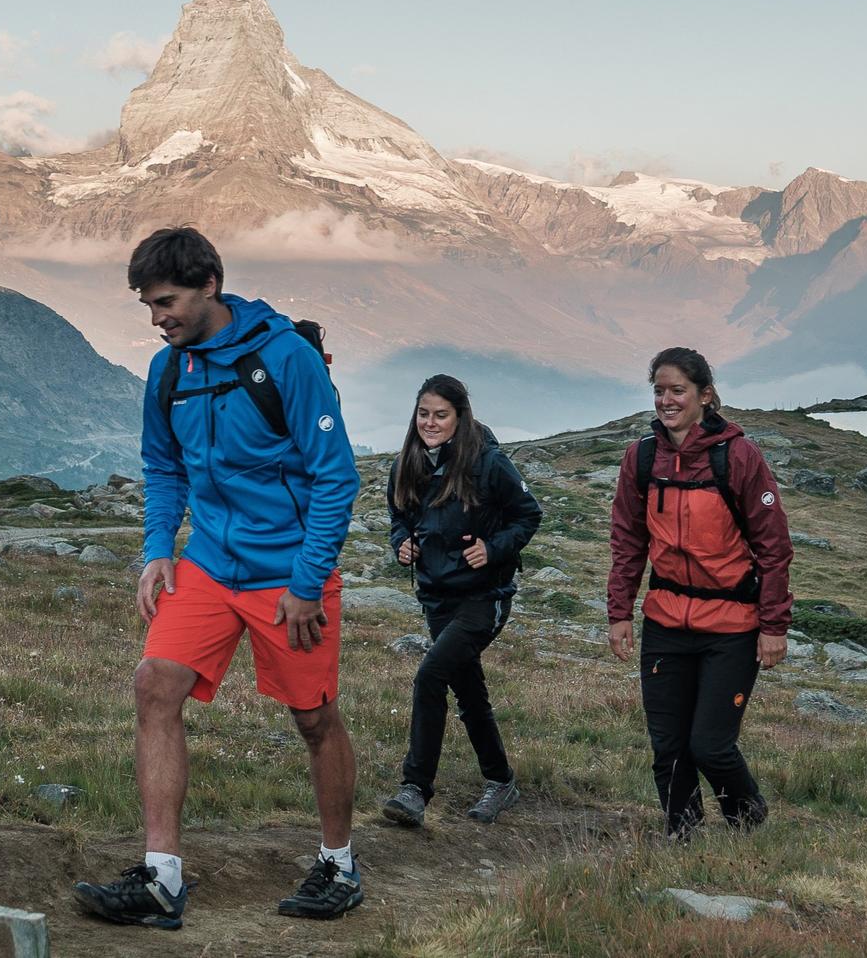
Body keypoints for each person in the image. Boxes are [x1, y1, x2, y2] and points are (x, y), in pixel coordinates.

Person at [73, 227, 362, 929]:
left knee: (314, 717)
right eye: (147, 306)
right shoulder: (169, 372)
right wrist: (157, 548)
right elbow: (163, 464)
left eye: (165, 302)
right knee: (154, 685)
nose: (156, 318)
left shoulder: (285, 359)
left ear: (209, 284)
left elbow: (336, 477)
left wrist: (305, 580)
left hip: (287, 572)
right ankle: (161, 877)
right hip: (208, 565)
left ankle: (338, 863)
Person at [607, 347, 794, 839]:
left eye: (677, 391)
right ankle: (682, 835)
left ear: (704, 395)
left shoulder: (738, 456)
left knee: (710, 745)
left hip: (731, 626)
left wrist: (773, 626)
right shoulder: (642, 457)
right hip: (666, 619)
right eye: (659, 391)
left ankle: (746, 817)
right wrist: (619, 611)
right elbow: (628, 539)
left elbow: (774, 548)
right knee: (668, 746)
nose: (667, 401)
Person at [382, 374, 540, 829]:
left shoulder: (487, 463)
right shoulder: (406, 464)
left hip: (484, 596)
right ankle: (501, 779)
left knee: (431, 674)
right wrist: (401, 542)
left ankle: (414, 789)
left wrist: (493, 548)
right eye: (424, 414)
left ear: (460, 416)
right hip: (436, 595)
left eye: (441, 415)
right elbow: (400, 515)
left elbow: (528, 514)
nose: (430, 423)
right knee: (468, 690)